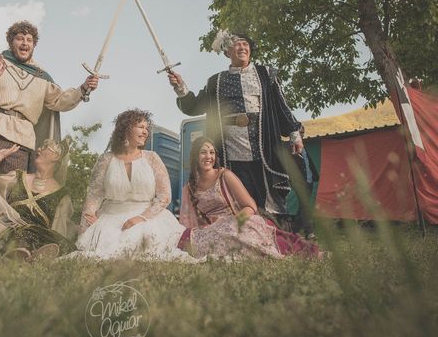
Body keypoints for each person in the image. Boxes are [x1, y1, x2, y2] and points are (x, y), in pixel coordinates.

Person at [0, 20, 98, 251]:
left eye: (29, 40)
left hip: (22, 137)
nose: (25, 43)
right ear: (11, 41)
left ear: (34, 45)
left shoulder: (42, 76)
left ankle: (9, 242)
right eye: (20, 38)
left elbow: (59, 101)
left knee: (14, 191)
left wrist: (82, 89)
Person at [168, 29, 303, 217]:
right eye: (237, 44)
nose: (242, 47)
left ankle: (275, 237)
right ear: (227, 52)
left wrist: (294, 133)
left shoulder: (265, 74)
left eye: (245, 44)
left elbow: (281, 105)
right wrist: (180, 87)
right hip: (230, 149)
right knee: (238, 197)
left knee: (269, 200)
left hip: (263, 147)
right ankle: (241, 237)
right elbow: (195, 106)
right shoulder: (216, 81)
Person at [74, 109, 192, 260]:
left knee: (146, 250)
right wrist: (87, 227)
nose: (145, 132)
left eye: (146, 128)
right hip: (109, 217)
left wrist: (141, 218)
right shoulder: (105, 160)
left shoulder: (152, 158)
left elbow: (165, 196)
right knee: (102, 255)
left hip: (149, 218)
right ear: (126, 128)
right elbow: (93, 196)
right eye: (141, 127)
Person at [178, 137, 322, 260]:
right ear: (195, 156)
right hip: (211, 230)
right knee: (197, 244)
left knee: (247, 236)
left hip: (236, 222)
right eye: (203, 152)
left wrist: (234, 223)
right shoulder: (189, 188)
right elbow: (187, 221)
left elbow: (250, 205)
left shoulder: (224, 175)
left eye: (211, 152)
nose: (208, 157)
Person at [0, 138, 76, 260]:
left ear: (56, 156)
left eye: (44, 147)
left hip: (42, 238)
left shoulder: (62, 195)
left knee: (38, 236)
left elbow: (58, 230)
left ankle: (30, 255)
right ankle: (22, 254)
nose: (38, 149)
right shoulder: (17, 177)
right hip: (11, 235)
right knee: (20, 234)